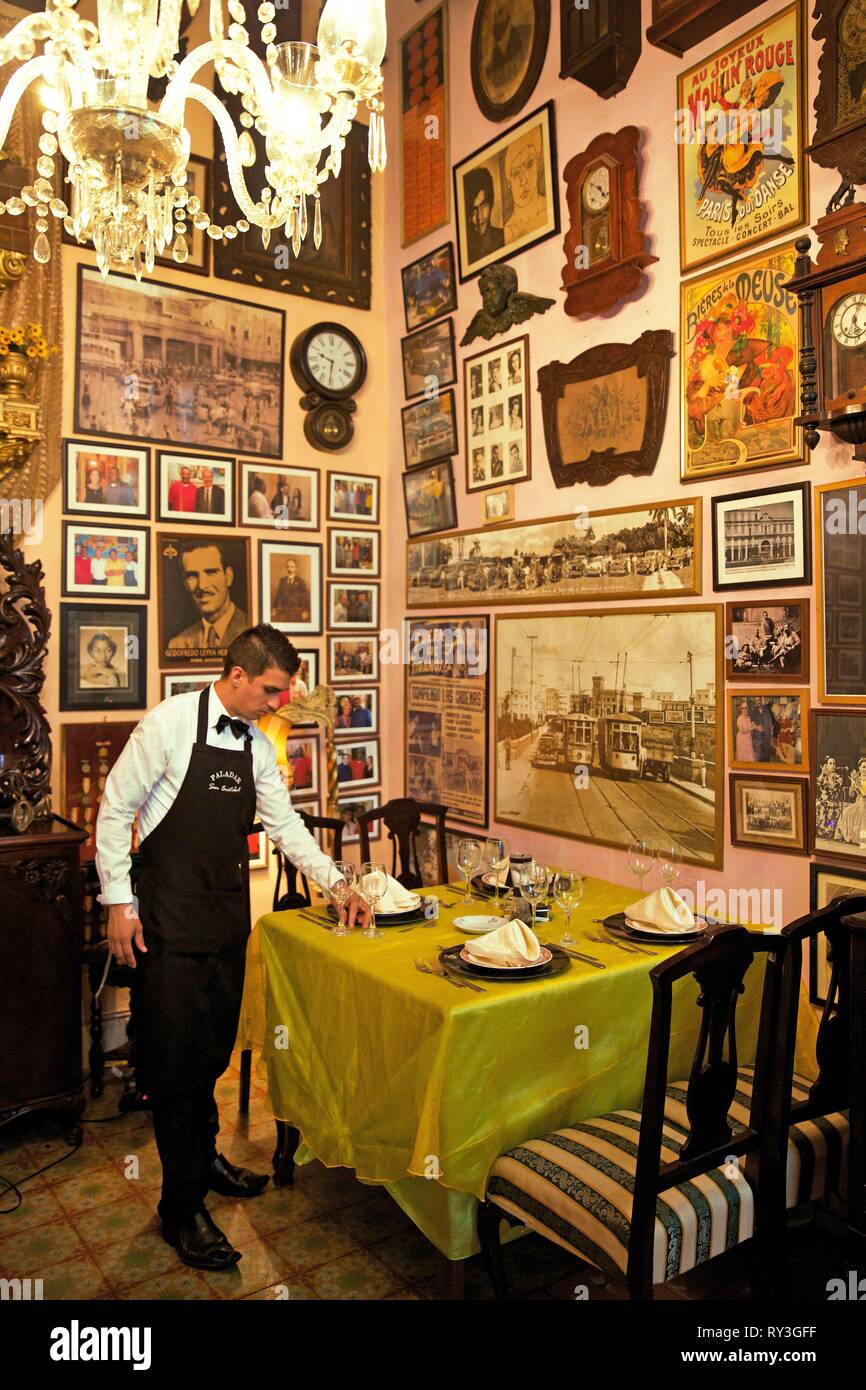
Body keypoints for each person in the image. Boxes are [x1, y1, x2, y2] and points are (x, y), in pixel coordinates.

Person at [95, 626, 370, 1271]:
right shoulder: (167, 725)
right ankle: (181, 1207)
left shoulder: (253, 743)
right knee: (173, 1067)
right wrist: (117, 903)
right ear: (239, 676)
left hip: (224, 921)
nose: (280, 703)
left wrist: (337, 884)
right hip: (164, 922)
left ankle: (207, 1159)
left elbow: (286, 824)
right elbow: (114, 810)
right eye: (273, 690)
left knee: (214, 1054)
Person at [166, 540, 249, 653]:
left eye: (211, 572)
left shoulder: (254, 632)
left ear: (228, 577)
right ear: (185, 583)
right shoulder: (177, 644)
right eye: (192, 576)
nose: (202, 585)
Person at [464, 165, 505, 264]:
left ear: (492, 203)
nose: (479, 217)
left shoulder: (504, 237)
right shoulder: (467, 251)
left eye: (483, 206)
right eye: (473, 210)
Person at [272, 558, 310, 624]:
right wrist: (274, 608)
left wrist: (305, 611)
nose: (289, 569)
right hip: (283, 613)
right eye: (288, 567)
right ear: (286, 568)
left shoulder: (300, 582)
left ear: (296, 568)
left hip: (296, 613)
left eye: (292, 567)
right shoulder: (282, 581)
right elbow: (278, 596)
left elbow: (305, 598)